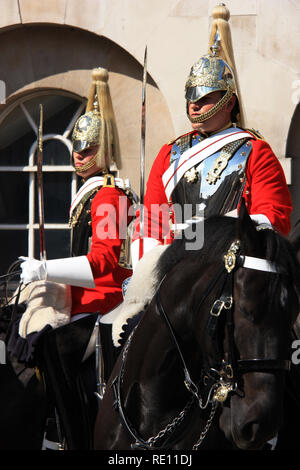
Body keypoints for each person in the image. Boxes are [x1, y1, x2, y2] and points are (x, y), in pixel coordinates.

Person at [9, 67, 135, 450]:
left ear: (106, 148)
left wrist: (45, 269)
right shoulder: (91, 193)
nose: (80, 156)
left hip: (107, 300)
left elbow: (101, 264)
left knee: (53, 344)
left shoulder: (110, 195)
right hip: (87, 298)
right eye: (77, 149)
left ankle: (72, 435)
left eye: (89, 149)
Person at [131, 4, 292, 267]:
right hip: (175, 265)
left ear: (229, 103)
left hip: (229, 262)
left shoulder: (255, 151)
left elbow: (274, 216)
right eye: (191, 97)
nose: (194, 104)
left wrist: (220, 227)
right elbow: (152, 220)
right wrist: (145, 269)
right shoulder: (169, 153)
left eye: (205, 98)